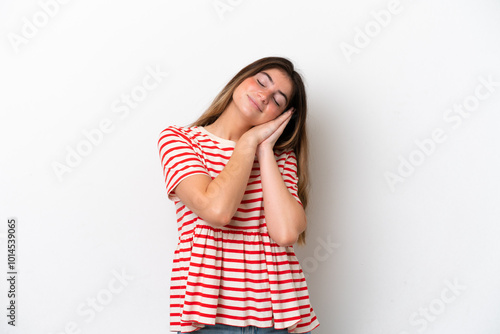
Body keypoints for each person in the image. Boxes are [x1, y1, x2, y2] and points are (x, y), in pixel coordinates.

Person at [157, 56, 319, 333]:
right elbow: (217, 211)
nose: (264, 95)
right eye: (261, 81)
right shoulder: (180, 140)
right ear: (241, 79)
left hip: (277, 316)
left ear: (281, 116)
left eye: (278, 100)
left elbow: (286, 233)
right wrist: (247, 142)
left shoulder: (282, 159)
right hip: (207, 317)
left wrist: (265, 149)